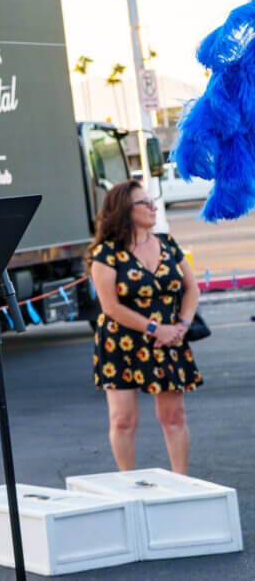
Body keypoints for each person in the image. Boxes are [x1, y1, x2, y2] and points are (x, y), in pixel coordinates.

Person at [89, 180, 201, 475]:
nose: (153, 207)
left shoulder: (167, 243)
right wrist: (155, 328)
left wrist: (182, 325)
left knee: (173, 416)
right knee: (123, 419)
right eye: (145, 203)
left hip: (169, 340)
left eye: (152, 201)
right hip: (121, 342)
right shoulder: (107, 253)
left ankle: (182, 483)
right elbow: (110, 307)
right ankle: (128, 483)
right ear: (125, 210)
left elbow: (192, 289)